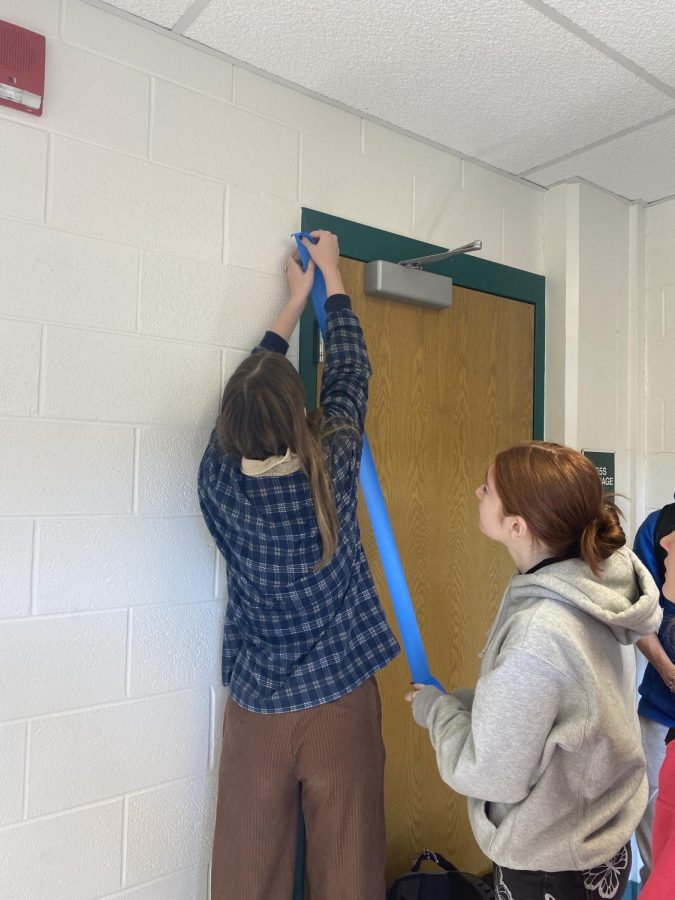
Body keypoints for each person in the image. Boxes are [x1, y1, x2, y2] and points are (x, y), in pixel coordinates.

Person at [198, 230, 400, 900]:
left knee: (245, 875)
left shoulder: (218, 486)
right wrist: (326, 282)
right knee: (349, 871)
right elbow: (348, 374)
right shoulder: (332, 469)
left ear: (230, 425)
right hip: (338, 700)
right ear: (298, 419)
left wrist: (288, 305)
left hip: (258, 705)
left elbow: (245, 401)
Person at [405, 442, 662, 900]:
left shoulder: (539, 631)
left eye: (487, 490)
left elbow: (490, 773)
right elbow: (552, 709)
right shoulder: (590, 580)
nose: (476, 492)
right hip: (598, 840)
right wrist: (464, 704)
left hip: (553, 865)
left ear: (517, 526)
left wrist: (435, 711)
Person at [632, 499, 675, 884]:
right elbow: (637, 612)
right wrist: (666, 668)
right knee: (652, 815)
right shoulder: (660, 525)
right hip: (662, 711)